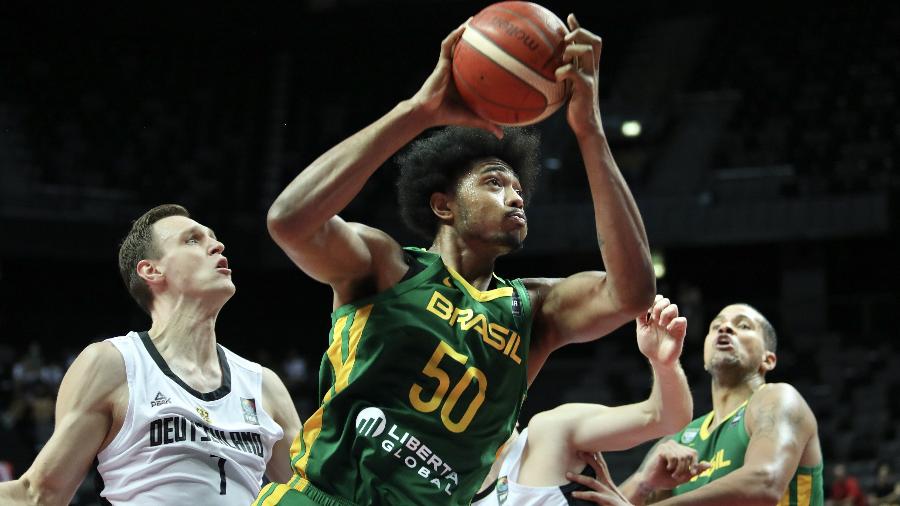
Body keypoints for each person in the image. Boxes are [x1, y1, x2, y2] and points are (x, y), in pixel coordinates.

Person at [253, 12, 655, 506]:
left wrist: (590, 130)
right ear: (443, 204)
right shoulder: (387, 268)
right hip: (323, 497)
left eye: (518, 188)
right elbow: (290, 220)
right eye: (493, 182)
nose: (515, 197)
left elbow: (632, 292)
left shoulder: (534, 309)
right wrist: (417, 111)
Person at [0, 204, 302, 506]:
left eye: (212, 237)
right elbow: (38, 495)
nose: (217, 245)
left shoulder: (264, 386)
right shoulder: (115, 365)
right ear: (151, 270)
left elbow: (315, 496)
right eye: (193, 240)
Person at [563, 303, 825, 506]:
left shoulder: (778, 399)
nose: (725, 329)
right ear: (704, 355)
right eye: (716, 326)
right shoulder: (679, 441)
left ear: (768, 360)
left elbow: (765, 483)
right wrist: (645, 481)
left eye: (743, 326)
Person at [471, 295, 695, 506]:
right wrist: (641, 484)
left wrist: (664, 365)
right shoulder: (449, 492)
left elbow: (664, 417)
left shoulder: (550, 432)